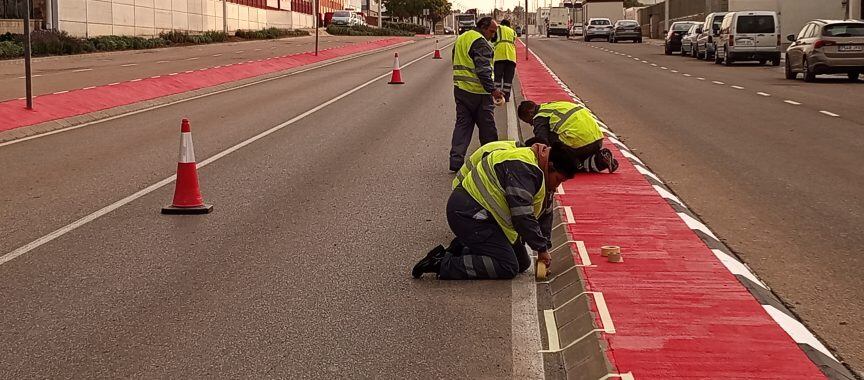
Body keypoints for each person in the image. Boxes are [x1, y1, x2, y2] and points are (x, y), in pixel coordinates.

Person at [413, 142, 579, 280]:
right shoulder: (524, 169)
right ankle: (442, 264)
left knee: (522, 263)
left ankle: (461, 247)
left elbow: (545, 213)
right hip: (468, 214)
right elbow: (522, 216)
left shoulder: (540, 170)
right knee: (507, 266)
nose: (557, 186)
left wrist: (544, 248)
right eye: (558, 180)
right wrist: (541, 249)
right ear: (550, 166)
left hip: (485, 217)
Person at [450, 16, 505, 172]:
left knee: (463, 125)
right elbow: (483, 70)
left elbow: (455, 59)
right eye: (491, 31)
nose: (492, 35)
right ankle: (492, 158)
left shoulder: (462, 38)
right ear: (483, 27)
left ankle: (456, 160)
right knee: (487, 127)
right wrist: (493, 90)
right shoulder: (480, 43)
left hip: (461, 89)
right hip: (478, 92)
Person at [518, 100, 618, 173]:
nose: (531, 124)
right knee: (581, 159)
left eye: (527, 121)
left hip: (579, 142)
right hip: (597, 140)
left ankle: (576, 164)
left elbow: (541, 142)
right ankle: (600, 158)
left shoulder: (539, 117)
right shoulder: (553, 106)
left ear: (530, 113)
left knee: (562, 162)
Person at [492, 19, 518, 102]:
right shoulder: (513, 32)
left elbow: (492, 40)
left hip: (500, 56)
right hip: (511, 57)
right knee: (508, 79)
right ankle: (506, 97)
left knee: (498, 78)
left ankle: (498, 96)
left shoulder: (498, 28)